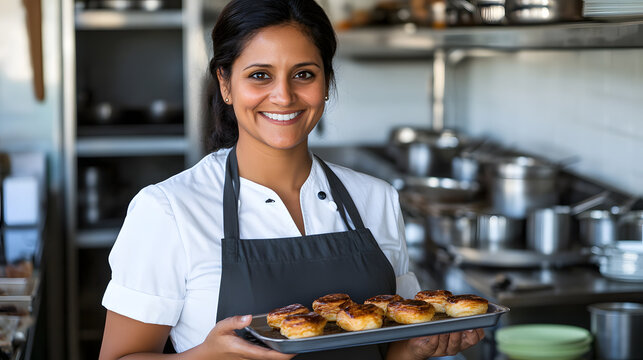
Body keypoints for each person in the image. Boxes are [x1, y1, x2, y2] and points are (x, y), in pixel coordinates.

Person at [98, 0, 484, 359]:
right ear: (226, 84)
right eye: (260, 75)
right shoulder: (169, 210)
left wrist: (414, 351)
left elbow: (389, 339)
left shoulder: (375, 199)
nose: (283, 96)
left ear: (326, 83)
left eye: (303, 74)